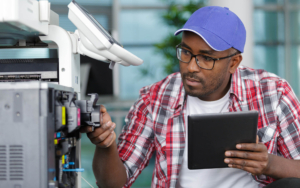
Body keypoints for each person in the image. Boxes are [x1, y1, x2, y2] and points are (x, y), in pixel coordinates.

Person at [80, 6, 300, 188]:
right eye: (186, 52)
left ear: (234, 62)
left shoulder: (273, 92)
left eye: (206, 58)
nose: (191, 67)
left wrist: (268, 163)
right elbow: (114, 184)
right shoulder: (155, 98)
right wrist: (106, 144)